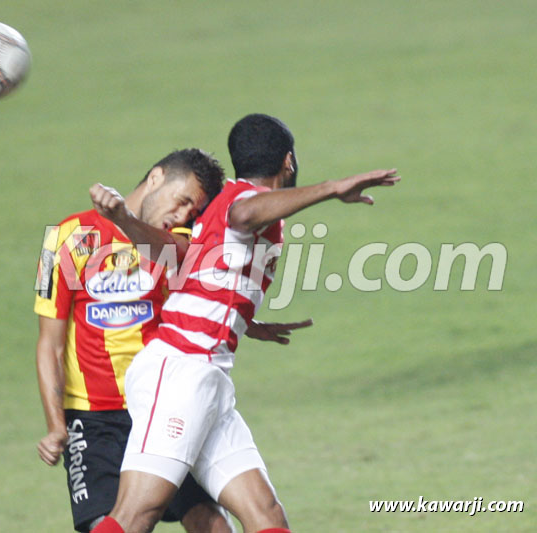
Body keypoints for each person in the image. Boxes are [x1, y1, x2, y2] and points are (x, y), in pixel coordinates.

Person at [89, 114, 400, 533]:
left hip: (209, 377)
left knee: (267, 518)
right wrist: (332, 187)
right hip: (180, 369)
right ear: (288, 161)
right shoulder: (243, 202)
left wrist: (245, 322)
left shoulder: (221, 204)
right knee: (133, 517)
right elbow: (243, 215)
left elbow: (192, 267)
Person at [35, 148, 306, 532]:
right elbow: (50, 343)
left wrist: (246, 321)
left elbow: (203, 296)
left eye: (191, 212)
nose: (182, 216)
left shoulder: (175, 240)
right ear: (157, 177)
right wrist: (56, 424)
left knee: (210, 521)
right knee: (110, 522)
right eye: (181, 202)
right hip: (94, 422)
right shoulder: (63, 238)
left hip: (167, 403)